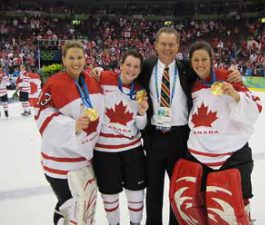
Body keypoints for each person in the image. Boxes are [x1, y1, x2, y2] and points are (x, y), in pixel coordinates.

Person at [137, 27, 243, 225]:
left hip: (180, 138)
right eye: (163, 44)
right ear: (156, 45)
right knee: (153, 190)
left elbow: (210, 72)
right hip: (154, 139)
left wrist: (233, 75)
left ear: (178, 46)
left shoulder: (188, 68)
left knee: (178, 190)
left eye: (171, 44)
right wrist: (98, 72)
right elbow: (125, 73)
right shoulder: (146, 67)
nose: (167, 48)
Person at [170, 40, 262, 225]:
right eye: (196, 60)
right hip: (198, 154)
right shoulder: (191, 83)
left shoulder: (226, 77)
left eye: (204, 59)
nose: (200, 63)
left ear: (211, 59)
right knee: (201, 205)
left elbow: (256, 105)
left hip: (232, 154)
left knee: (235, 207)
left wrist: (235, 95)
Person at [34, 40, 105, 225]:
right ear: (63, 60)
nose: (76, 62)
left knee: (83, 207)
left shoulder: (90, 80)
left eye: (80, 57)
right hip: (59, 162)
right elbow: (41, 116)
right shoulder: (54, 83)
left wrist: (100, 72)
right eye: (71, 58)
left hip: (83, 160)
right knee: (68, 205)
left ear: (85, 59)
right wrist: (72, 126)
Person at [92, 50, 148, 225]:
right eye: (128, 65)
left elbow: (141, 126)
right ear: (121, 64)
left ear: (140, 70)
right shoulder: (105, 78)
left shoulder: (140, 91)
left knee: (136, 192)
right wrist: (96, 70)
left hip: (132, 150)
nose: (131, 70)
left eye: (136, 67)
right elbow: (87, 82)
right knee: (109, 195)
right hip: (104, 151)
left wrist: (141, 113)